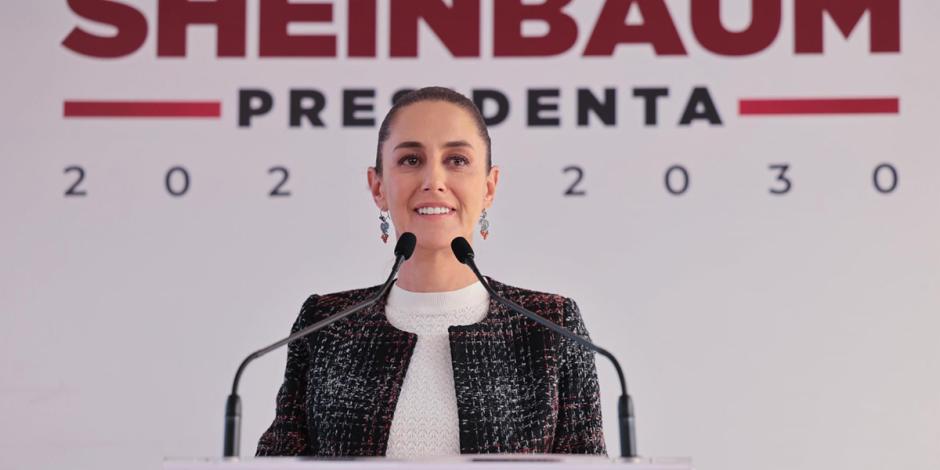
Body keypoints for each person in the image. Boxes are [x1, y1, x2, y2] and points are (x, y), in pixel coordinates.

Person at [256, 87, 606, 457]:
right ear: (378, 187)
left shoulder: (549, 325)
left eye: (456, 160)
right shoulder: (326, 324)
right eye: (410, 160)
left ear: (489, 187)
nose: (433, 181)